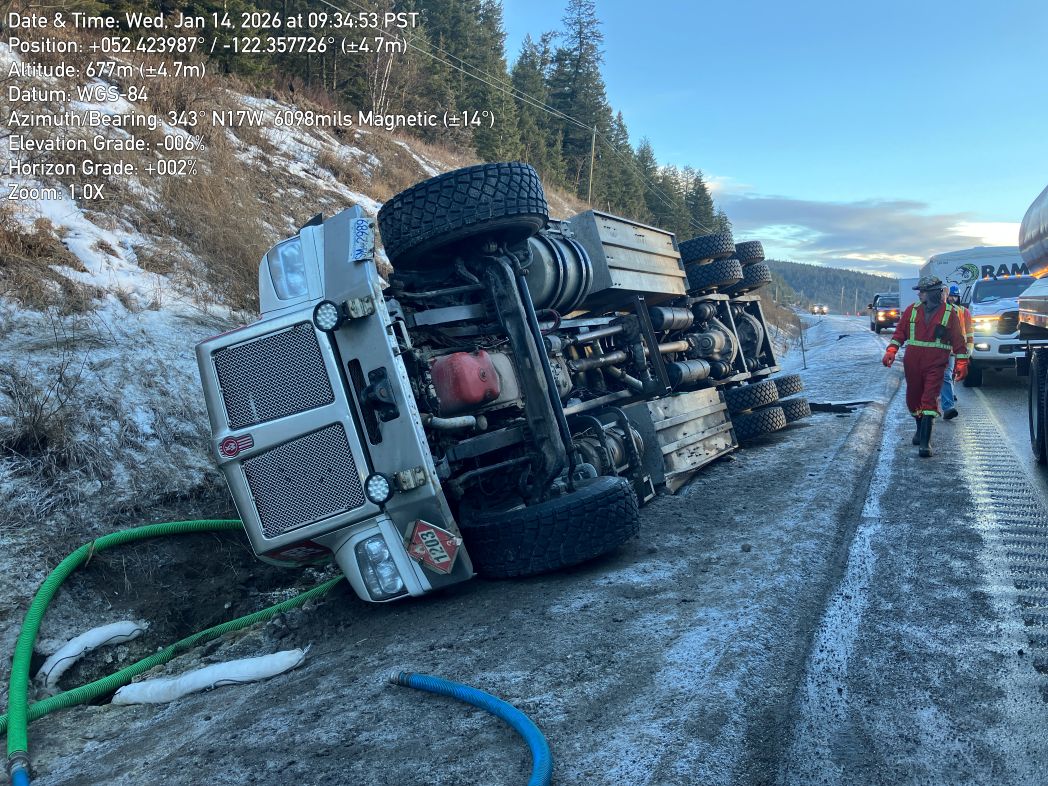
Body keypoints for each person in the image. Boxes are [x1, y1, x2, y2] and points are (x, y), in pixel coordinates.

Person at [881, 275, 969, 457]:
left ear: (933, 293)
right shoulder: (911, 310)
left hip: (936, 363)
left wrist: (962, 362)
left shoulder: (949, 313)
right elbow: (899, 333)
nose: (919, 294)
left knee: (929, 398)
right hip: (913, 363)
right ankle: (920, 428)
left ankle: (925, 443)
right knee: (913, 399)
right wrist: (891, 350)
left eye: (923, 291)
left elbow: (958, 340)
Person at [940, 284, 974, 420]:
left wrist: (969, 348)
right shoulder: (941, 310)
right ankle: (947, 405)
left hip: (957, 349)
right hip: (943, 349)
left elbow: (969, 331)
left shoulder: (963, 312)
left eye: (955, 296)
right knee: (946, 375)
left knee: (951, 374)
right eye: (950, 296)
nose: (952, 299)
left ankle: (949, 396)